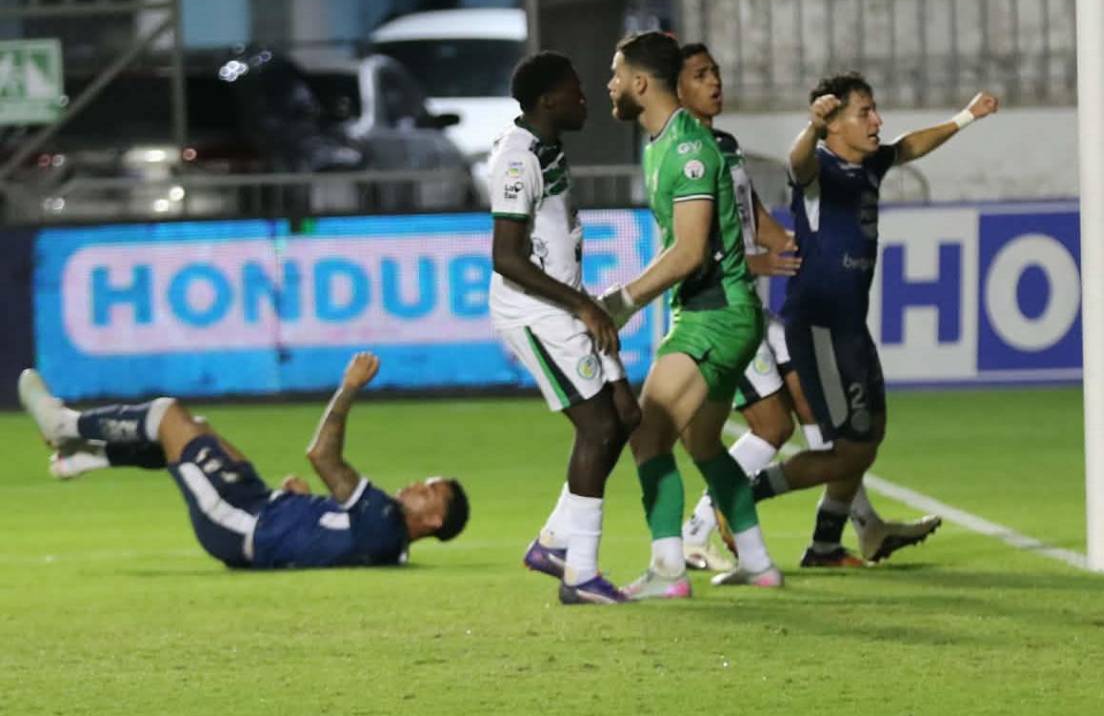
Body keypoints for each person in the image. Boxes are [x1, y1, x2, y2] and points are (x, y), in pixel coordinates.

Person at [675, 44, 941, 570]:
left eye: (716, 70)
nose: (715, 81)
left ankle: (843, 534)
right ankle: (700, 528)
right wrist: (752, 261)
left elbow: (751, 214)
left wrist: (788, 243)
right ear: (676, 90)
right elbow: (683, 240)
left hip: (757, 310)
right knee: (777, 428)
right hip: (718, 309)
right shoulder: (680, 153)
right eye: (701, 74)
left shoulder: (723, 146)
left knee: (824, 421)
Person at [748, 72, 997, 565]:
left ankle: (827, 543)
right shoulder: (818, 171)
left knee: (871, 432)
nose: (877, 121)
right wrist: (812, 127)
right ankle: (740, 495)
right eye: (865, 113)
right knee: (850, 449)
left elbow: (909, 146)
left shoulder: (872, 164)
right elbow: (797, 161)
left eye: (875, 110)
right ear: (834, 125)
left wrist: (966, 117)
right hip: (818, 324)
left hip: (850, 326)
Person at [600, 30, 782, 599]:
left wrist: (623, 302)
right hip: (716, 313)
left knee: (646, 436)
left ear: (639, 83)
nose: (609, 85)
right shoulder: (659, 144)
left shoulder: (688, 151)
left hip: (715, 317)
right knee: (703, 443)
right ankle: (758, 561)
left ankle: (668, 569)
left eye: (616, 74)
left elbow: (689, 253)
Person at [17, 351, 469, 569]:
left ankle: (64, 425)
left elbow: (322, 455)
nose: (416, 485)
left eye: (428, 491)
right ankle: (86, 458)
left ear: (433, 520)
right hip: (260, 507)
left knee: (168, 418)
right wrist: (303, 505)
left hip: (238, 525)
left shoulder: (384, 524)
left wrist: (349, 388)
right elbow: (331, 535)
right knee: (200, 431)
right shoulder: (385, 535)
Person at [489, 50, 641, 605]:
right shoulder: (517, 159)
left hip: (568, 304)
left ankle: (555, 541)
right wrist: (583, 307)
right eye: (576, 90)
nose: (585, 98)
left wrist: (582, 303)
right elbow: (506, 257)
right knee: (598, 426)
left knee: (625, 415)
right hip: (535, 312)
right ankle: (580, 574)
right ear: (549, 100)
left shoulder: (548, 147)